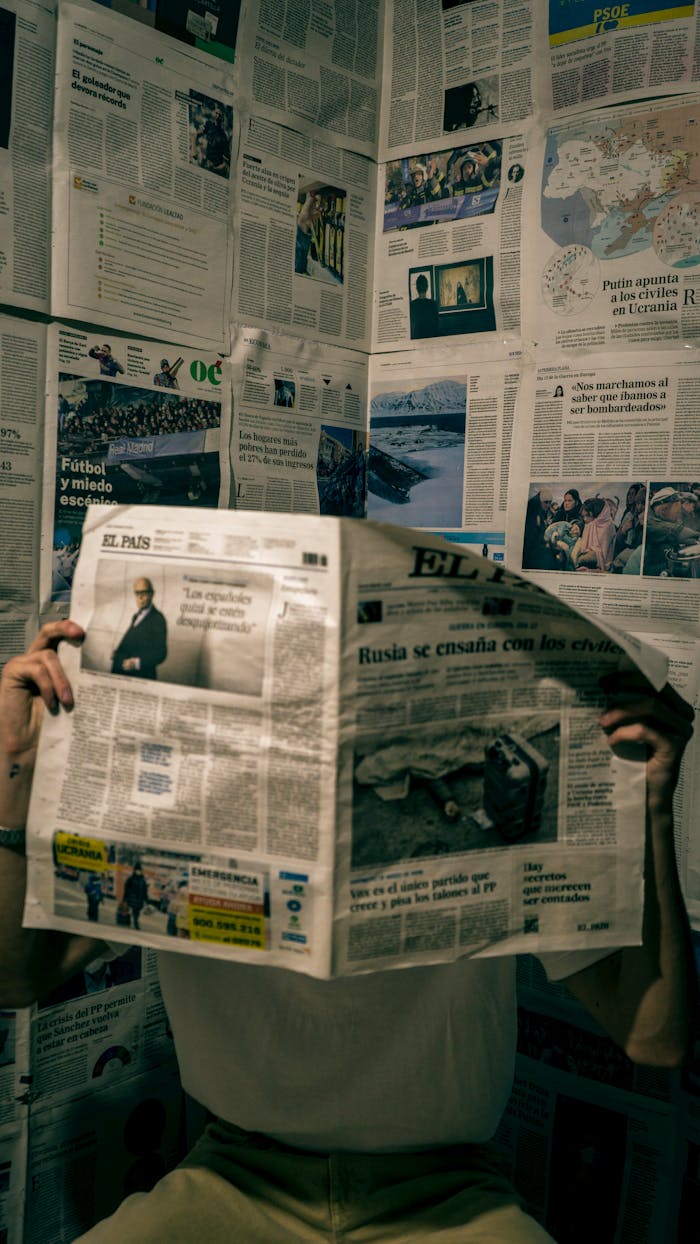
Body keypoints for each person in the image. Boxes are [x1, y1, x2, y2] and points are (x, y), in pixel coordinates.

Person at [0, 622, 695, 1243]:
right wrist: (14, 762)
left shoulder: (491, 802)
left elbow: (655, 1038)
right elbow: (17, 976)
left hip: (447, 1195)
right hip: (233, 1175)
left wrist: (654, 803)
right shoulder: (181, 795)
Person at [111, 578, 167, 680]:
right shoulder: (136, 616)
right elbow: (135, 643)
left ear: (151, 594)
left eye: (144, 593)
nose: (140, 597)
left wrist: (137, 663)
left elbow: (161, 653)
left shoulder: (158, 619)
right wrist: (118, 653)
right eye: (137, 593)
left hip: (141, 678)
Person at [643, 487, 698, 577]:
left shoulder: (659, 519)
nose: (679, 512)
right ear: (664, 511)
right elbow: (678, 532)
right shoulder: (651, 527)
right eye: (677, 510)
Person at [409, 272, 440, 339]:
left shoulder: (412, 305)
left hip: (417, 339)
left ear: (417, 288)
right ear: (427, 287)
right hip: (431, 338)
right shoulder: (433, 304)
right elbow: (437, 326)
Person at [123, 864, 149, 931]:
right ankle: (134, 922)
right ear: (134, 870)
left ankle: (135, 921)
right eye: (137, 870)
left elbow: (145, 890)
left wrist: (146, 900)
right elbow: (126, 889)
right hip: (132, 898)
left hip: (139, 899)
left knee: (136, 912)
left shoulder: (142, 880)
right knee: (131, 911)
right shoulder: (131, 879)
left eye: (139, 870)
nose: (138, 872)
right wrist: (125, 898)